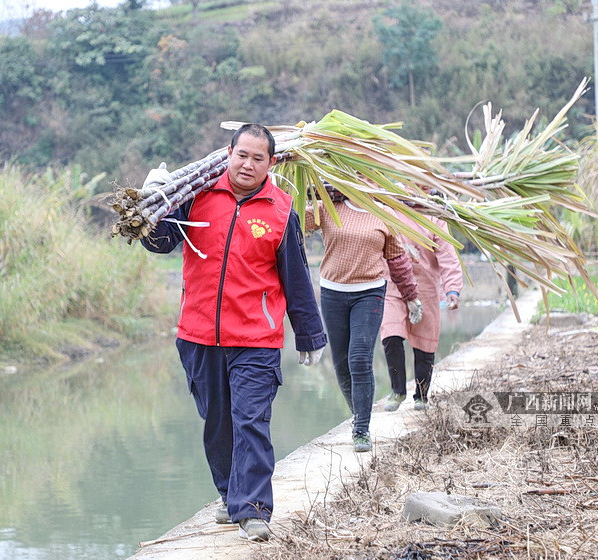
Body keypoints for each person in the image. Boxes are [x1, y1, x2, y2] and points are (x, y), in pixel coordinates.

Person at [139, 124, 327, 543]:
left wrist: (310, 335)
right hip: (198, 334)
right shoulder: (198, 194)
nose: (248, 164)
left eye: (258, 158)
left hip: (256, 339)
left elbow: (296, 277)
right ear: (229, 152)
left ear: (271, 164)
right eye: (242, 155)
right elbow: (160, 242)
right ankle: (230, 494)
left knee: (252, 422)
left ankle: (254, 509)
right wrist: (152, 199)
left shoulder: (280, 210)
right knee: (218, 424)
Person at [304, 195, 420, 453]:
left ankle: (361, 429)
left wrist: (411, 296)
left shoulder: (383, 213)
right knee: (341, 362)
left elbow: (397, 260)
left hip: (370, 292)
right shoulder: (328, 207)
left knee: (359, 358)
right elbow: (294, 219)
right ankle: (360, 413)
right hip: (332, 292)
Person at [380, 206, 462, 412]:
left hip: (425, 287)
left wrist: (453, 288)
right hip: (393, 286)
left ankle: (422, 395)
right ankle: (397, 390)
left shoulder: (434, 215)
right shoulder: (386, 208)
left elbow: (448, 256)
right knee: (391, 333)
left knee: (425, 342)